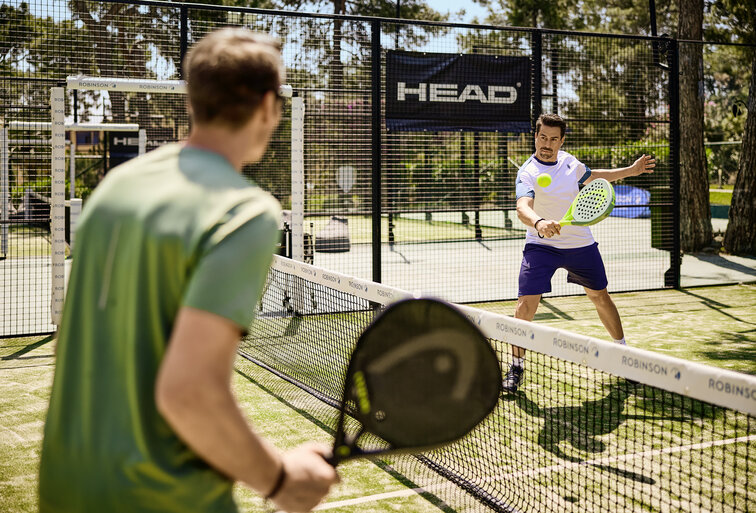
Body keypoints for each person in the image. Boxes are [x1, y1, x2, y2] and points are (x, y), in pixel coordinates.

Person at [39, 28, 339, 513]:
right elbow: (188, 392)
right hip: (162, 497)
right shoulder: (243, 212)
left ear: (193, 101)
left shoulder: (117, 187)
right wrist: (281, 478)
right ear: (267, 107)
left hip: (63, 486)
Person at [502, 113, 655, 393]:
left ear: (561, 141)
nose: (546, 144)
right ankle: (516, 367)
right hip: (541, 246)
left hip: (580, 244)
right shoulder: (527, 171)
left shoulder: (570, 163)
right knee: (526, 305)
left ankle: (624, 356)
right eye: (542, 137)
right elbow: (523, 206)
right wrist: (539, 223)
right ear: (535, 137)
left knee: (600, 296)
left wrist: (631, 171)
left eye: (553, 139)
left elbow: (594, 177)